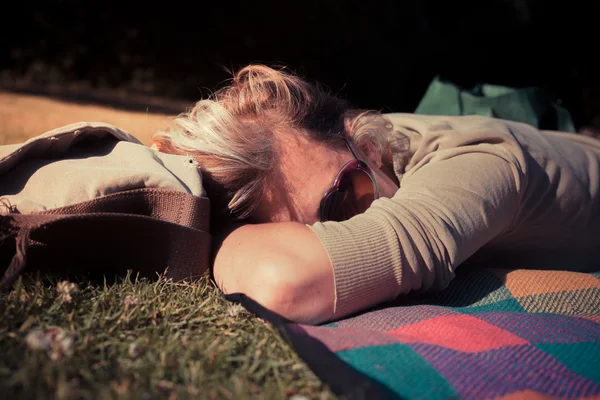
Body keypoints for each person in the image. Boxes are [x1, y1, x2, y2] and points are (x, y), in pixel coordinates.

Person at [153, 65, 600, 324]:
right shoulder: (355, 156)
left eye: (343, 202)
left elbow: (287, 281)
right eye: (301, 232)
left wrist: (215, 235)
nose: (343, 234)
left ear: (364, 144)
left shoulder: (479, 163)